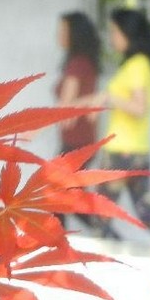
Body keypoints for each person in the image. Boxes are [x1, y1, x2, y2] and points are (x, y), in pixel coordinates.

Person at [89, 8, 150, 245]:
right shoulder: (136, 64)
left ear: (127, 32)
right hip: (136, 152)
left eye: (114, 31)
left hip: (122, 153)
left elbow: (139, 108)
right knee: (147, 215)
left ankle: (115, 266)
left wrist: (110, 99)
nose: (112, 37)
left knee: (100, 218)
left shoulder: (137, 65)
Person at [54, 12, 101, 229]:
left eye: (63, 31)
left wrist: (33, 127)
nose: (59, 35)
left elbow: (65, 110)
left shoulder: (76, 65)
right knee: (64, 194)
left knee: (56, 193)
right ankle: (102, 229)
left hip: (75, 142)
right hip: (83, 140)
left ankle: (102, 229)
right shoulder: (84, 62)